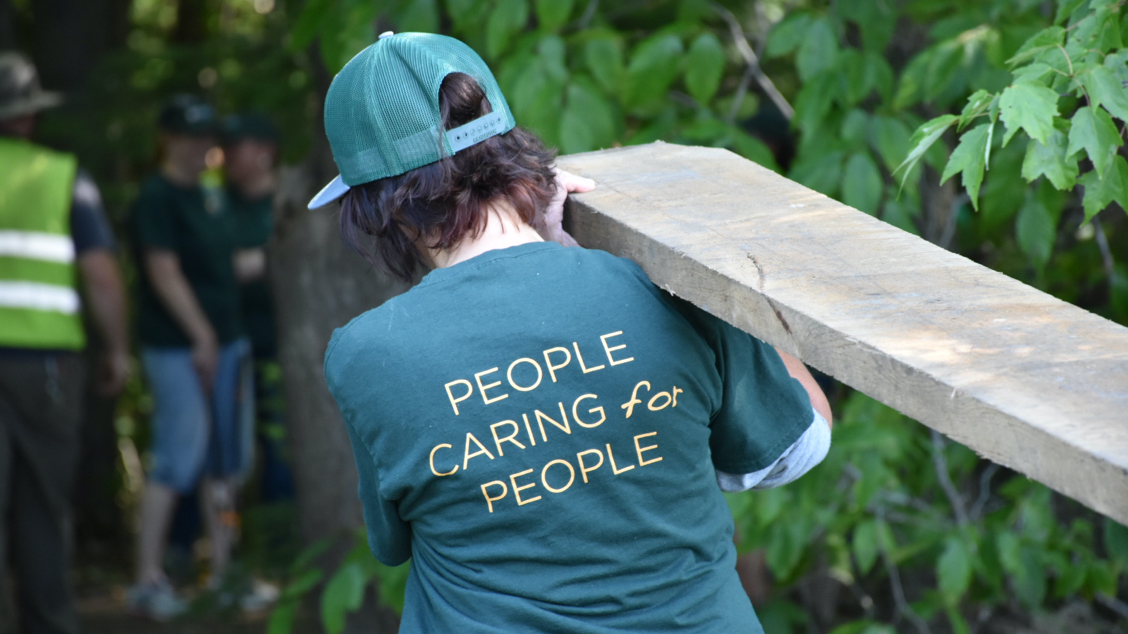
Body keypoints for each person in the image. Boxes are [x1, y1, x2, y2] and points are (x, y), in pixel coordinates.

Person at [314, 32, 833, 633]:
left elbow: (394, 541)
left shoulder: (367, 355)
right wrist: (730, 301)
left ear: (380, 211)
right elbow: (796, 446)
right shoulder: (669, 289)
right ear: (509, 151)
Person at [0, 51, 129, 634]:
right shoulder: (62, 177)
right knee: (43, 509)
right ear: (28, 117)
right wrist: (118, 349)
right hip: (45, 368)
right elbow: (100, 275)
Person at [127, 94, 247, 620]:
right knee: (179, 453)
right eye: (194, 137)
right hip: (179, 348)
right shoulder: (156, 197)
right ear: (169, 139)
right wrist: (201, 335)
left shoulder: (210, 196)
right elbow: (163, 272)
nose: (204, 147)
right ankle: (146, 579)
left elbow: (222, 264)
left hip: (227, 343)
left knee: (223, 461)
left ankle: (225, 575)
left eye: (208, 137)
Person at [220, 113, 294, 502]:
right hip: (229, 342)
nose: (226, 155)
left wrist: (262, 261)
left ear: (266, 152)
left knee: (281, 437)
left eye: (236, 147)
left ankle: (279, 536)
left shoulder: (289, 201)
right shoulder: (217, 205)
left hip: (282, 343)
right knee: (228, 443)